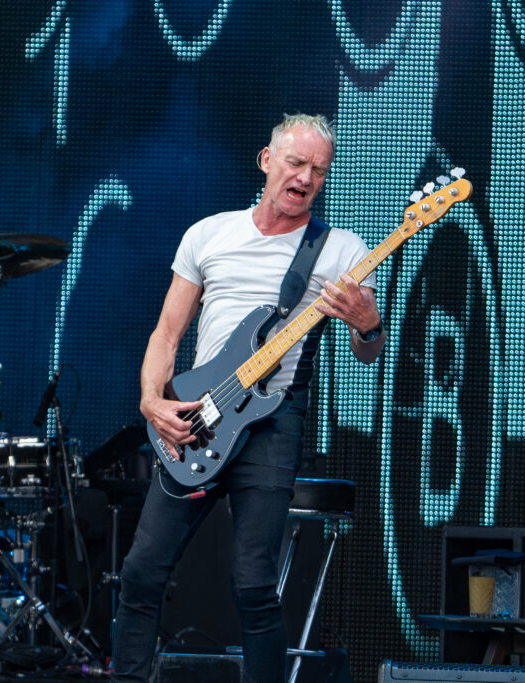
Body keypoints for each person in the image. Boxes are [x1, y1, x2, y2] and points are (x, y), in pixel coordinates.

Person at [113, 114, 386, 682]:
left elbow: (370, 352)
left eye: (318, 170)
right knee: (141, 572)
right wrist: (150, 401)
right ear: (267, 160)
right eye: (295, 163)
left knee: (255, 583)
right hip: (198, 416)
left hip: (272, 422)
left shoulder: (341, 250)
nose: (305, 177)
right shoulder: (208, 234)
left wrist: (367, 323)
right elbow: (167, 334)